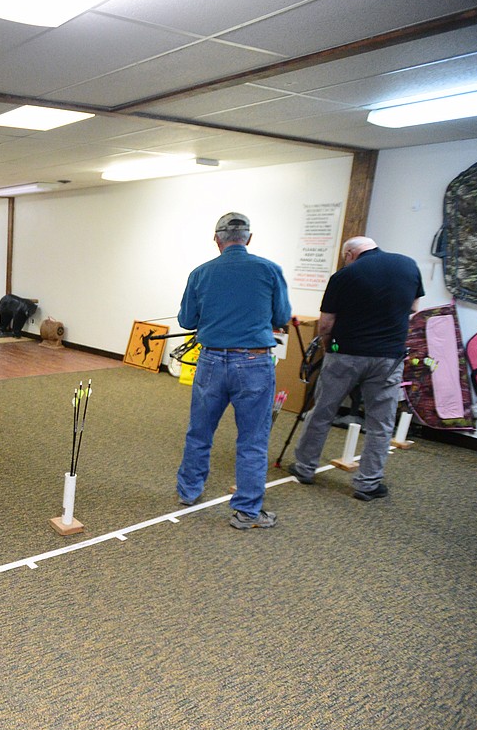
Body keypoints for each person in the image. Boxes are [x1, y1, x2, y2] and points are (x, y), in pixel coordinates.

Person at [176, 212, 292, 529]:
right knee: (252, 440)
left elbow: (186, 320)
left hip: (211, 362)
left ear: (217, 240)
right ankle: (247, 512)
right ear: (249, 239)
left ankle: (188, 493)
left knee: (199, 432)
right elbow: (282, 315)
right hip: (254, 362)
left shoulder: (200, 273)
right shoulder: (270, 270)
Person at [288, 236, 423, 501]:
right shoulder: (409, 266)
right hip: (388, 357)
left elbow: (326, 324)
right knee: (380, 422)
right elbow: (414, 307)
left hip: (346, 354)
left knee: (322, 412)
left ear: (350, 253)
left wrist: (328, 348)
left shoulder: (344, 275)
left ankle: (305, 468)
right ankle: (368, 483)